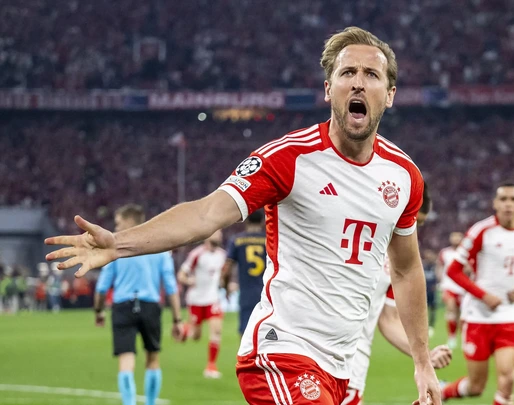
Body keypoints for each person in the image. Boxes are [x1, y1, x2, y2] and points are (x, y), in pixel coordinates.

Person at [46, 26, 441, 405]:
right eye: (347, 72)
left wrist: (422, 363)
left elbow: (406, 269)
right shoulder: (288, 158)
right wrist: (119, 243)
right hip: (281, 353)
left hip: (339, 367)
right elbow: (206, 213)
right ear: (328, 89)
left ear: (389, 94)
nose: (358, 83)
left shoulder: (404, 176)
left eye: (371, 74)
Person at [343, 183, 452, 405]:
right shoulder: (346, 229)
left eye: (418, 224)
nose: (412, 229)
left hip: (352, 367)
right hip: (307, 353)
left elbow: (388, 318)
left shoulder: (398, 263)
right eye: (411, 220)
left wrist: (425, 357)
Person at [440, 182, 514, 405]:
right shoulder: (481, 231)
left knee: (507, 380)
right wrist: (483, 295)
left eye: (513, 199)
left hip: (510, 316)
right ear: (495, 203)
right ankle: (443, 392)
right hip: (478, 317)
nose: (508, 204)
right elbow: (453, 270)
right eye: (503, 199)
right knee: (476, 387)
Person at [93, 204, 183, 405]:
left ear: (130, 221)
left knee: (126, 361)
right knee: (153, 359)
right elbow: (171, 287)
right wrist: (177, 319)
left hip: (123, 307)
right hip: (150, 306)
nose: (116, 227)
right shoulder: (160, 248)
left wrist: (98, 311)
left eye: (118, 223)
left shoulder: (116, 249)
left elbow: (102, 287)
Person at [177, 229, 227, 379]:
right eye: (216, 232)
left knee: (216, 331)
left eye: (220, 233)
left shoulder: (222, 255)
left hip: (213, 298)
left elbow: (222, 275)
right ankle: (186, 330)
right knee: (196, 336)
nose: (219, 235)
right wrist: (188, 280)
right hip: (196, 299)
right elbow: (181, 275)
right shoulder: (197, 254)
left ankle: (211, 366)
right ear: (208, 234)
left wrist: (226, 284)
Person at [221, 210, 266, 337]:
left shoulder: (237, 240)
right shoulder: (269, 240)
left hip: (246, 293)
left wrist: (225, 287)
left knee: (246, 332)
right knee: (267, 331)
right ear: (262, 222)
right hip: (268, 293)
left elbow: (227, 268)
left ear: (246, 220)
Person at [437, 232, 466, 349]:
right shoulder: (445, 252)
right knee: (451, 309)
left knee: (461, 314)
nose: (456, 239)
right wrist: (441, 280)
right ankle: (452, 337)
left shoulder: (465, 253)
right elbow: (439, 266)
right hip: (448, 286)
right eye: (454, 236)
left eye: (458, 237)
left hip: (462, 287)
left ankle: (463, 336)